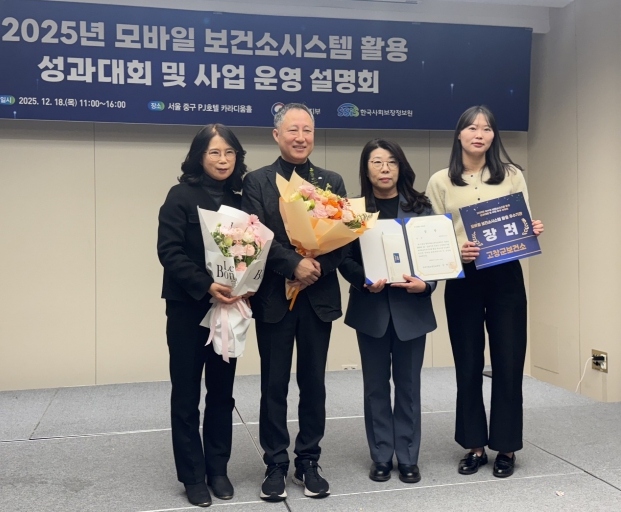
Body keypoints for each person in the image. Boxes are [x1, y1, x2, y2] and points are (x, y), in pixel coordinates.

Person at [426, 105, 544, 479]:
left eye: (487, 128)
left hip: (505, 274)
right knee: (468, 362)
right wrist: (455, 250)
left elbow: (522, 221)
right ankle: (474, 444)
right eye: (472, 128)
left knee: (509, 360)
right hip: (464, 277)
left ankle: (506, 446)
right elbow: (433, 237)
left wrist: (531, 229)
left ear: (494, 136)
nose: (479, 134)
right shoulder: (440, 181)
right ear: (459, 134)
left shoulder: (511, 175)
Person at [241, 103, 347, 501]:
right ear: (276, 135)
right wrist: (293, 265)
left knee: (313, 383)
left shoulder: (331, 181)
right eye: (292, 130)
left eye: (307, 130)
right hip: (274, 298)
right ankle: (275, 463)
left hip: (318, 297)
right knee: (274, 383)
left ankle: (308, 460)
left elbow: (345, 239)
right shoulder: (257, 182)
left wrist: (313, 268)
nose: (301, 137)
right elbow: (254, 237)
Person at [157, 124, 248, 507]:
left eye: (229, 153)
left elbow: (251, 254)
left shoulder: (241, 201)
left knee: (222, 393)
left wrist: (247, 283)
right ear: (199, 156)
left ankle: (218, 470)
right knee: (186, 394)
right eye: (214, 152)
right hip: (188, 308)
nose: (223, 160)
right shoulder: (180, 196)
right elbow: (169, 251)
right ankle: (193, 476)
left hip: (229, 310)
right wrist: (206, 285)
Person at [339, 139, 437, 484]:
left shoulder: (421, 207)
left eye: (391, 162)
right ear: (366, 169)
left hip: (412, 309)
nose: (384, 168)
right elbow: (344, 259)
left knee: (409, 387)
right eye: (377, 162)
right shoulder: (354, 211)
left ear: (401, 167)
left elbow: (435, 255)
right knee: (375, 387)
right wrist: (364, 280)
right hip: (371, 310)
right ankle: (381, 455)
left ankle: (408, 456)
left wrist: (426, 284)